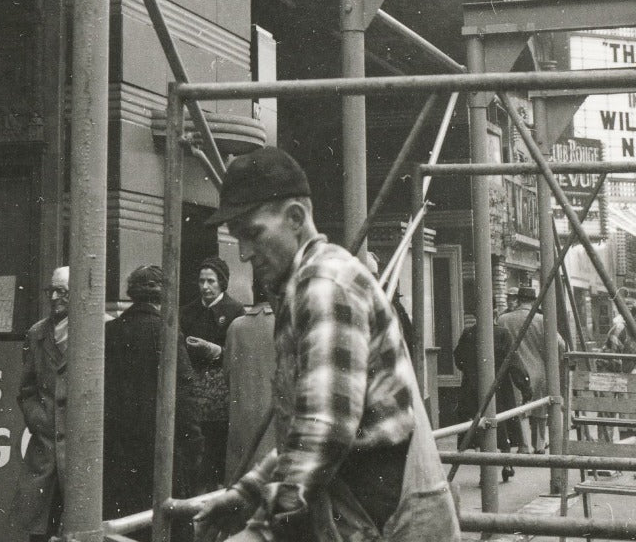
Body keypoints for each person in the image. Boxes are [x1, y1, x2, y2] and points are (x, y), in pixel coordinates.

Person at [193, 148, 461, 541]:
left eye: (253, 234)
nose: (246, 253)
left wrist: (259, 530)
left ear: (296, 218)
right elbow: (306, 430)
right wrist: (245, 495)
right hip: (369, 506)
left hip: (385, 515)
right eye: (238, 240)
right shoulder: (306, 285)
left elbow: (325, 429)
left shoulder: (323, 286)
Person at [104, 265, 203, 521]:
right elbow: (185, 392)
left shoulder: (111, 331)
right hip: (160, 449)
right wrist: (193, 442)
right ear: (164, 296)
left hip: (119, 451)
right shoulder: (166, 332)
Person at [12, 267, 70, 541]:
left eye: (63, 292)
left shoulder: (101, 330)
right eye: (52, 291)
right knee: (41, 529)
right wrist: (40, 420)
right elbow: (26, 390)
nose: (56, 297)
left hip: (80, 452)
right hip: (46, 448)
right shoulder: (37, 333)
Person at [181, 255, 245, 490]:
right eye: (201, 281)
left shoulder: (235, 310)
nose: (205, 287)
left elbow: (238, 352)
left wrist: (215, 350)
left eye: (211, 281)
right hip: (193, 386)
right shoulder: (187, 312)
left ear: (222, 283)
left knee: (216, 442)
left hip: (220, 391)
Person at [453, 317, 532, 481]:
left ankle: (485, 471)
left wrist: (471, 370)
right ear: (494, 312)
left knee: (478, 427)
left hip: (472, 388)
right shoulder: (502, 333)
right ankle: (506, 463)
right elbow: (514, 362)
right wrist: (525, 387)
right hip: (500, 388)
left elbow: (458, 358)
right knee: (502, 426)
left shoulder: (468, 333)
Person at [498, 285, 564, 454]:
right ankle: (540, 445)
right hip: (540, 370)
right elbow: (560, 344)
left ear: (518, 300)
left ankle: (523, 445)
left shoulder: (504, 319)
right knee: (540, 409)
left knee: (519, 409)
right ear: (534, 301)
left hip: (515, 371)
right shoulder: (542, 320)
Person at [223, 276, 276, 482]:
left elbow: (228, 373)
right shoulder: (286, 323)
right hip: (277, 423)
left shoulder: (236, 327)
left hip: (243, 421)